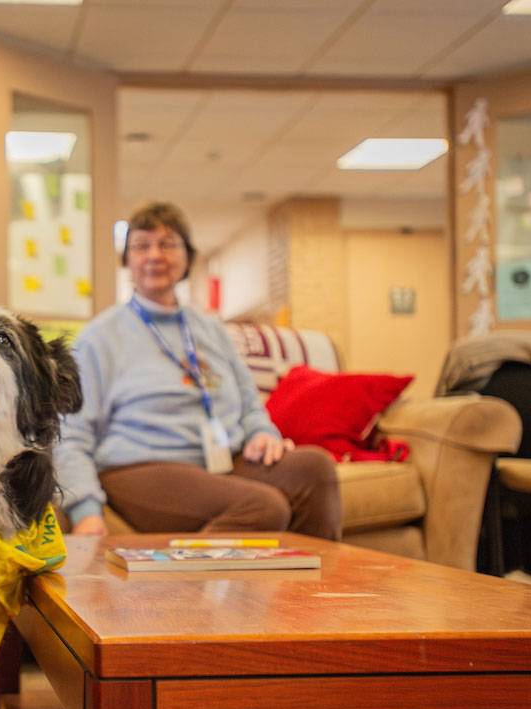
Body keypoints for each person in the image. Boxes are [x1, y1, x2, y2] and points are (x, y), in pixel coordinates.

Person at [55, 201, 342, 539]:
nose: (154, 255)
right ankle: (189, 586)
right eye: (141, 246)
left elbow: (251, 405)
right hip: (141, 467)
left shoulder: (211, 330)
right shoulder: (100, 337)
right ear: (127, 261)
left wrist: (263, 434)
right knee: (265, 506)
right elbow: (70, 434)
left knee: (314, 468)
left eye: (167, 244)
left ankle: (315, 590)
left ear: (188, 256)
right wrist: (85, 510)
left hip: (223, 461)